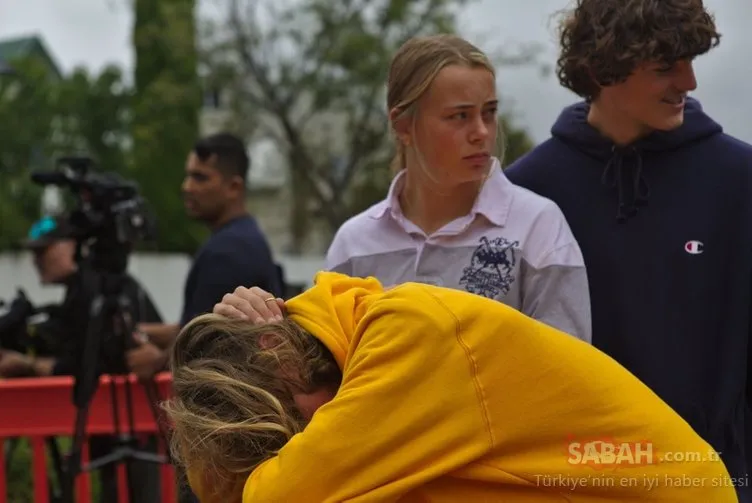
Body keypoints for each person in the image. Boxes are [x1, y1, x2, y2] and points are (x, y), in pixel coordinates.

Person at [166, 271, 737, 502]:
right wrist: (206, 358)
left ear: (276, 349)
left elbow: (274, 498)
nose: (305, 434)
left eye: (291, 416)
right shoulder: (356, 343)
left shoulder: (411, 332)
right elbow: (221, 488)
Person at [503, 0, 752, 499]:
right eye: (665, 68)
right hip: (574, 484)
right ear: (601, 70)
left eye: (691, 61)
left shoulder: (740, 181)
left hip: (715, 482)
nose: (689, 82)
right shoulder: (525, 195)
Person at [322, 34, 591, 341]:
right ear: (403, 126)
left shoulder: (537, 226)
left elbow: (566, 368)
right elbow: (329, 370)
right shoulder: (354, 244)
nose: (481, 132)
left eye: (489, 112)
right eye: (459, 116)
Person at [0, 214, 163, 503]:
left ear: (71, 246)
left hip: (135, 425)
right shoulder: (84, 290)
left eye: (43, 250)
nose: (37, 260)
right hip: (117, 427)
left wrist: (27, 365)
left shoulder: (96, 292)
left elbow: (85, 363)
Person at [128, 132, 284, 380]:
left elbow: (211, 347)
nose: (187, 187)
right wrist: (147, 332)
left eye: (200, 178)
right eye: (189, 175)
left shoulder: (229, 250)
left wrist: (156, 361)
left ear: (234, 187)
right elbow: (206, 320)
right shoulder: (242, 237)